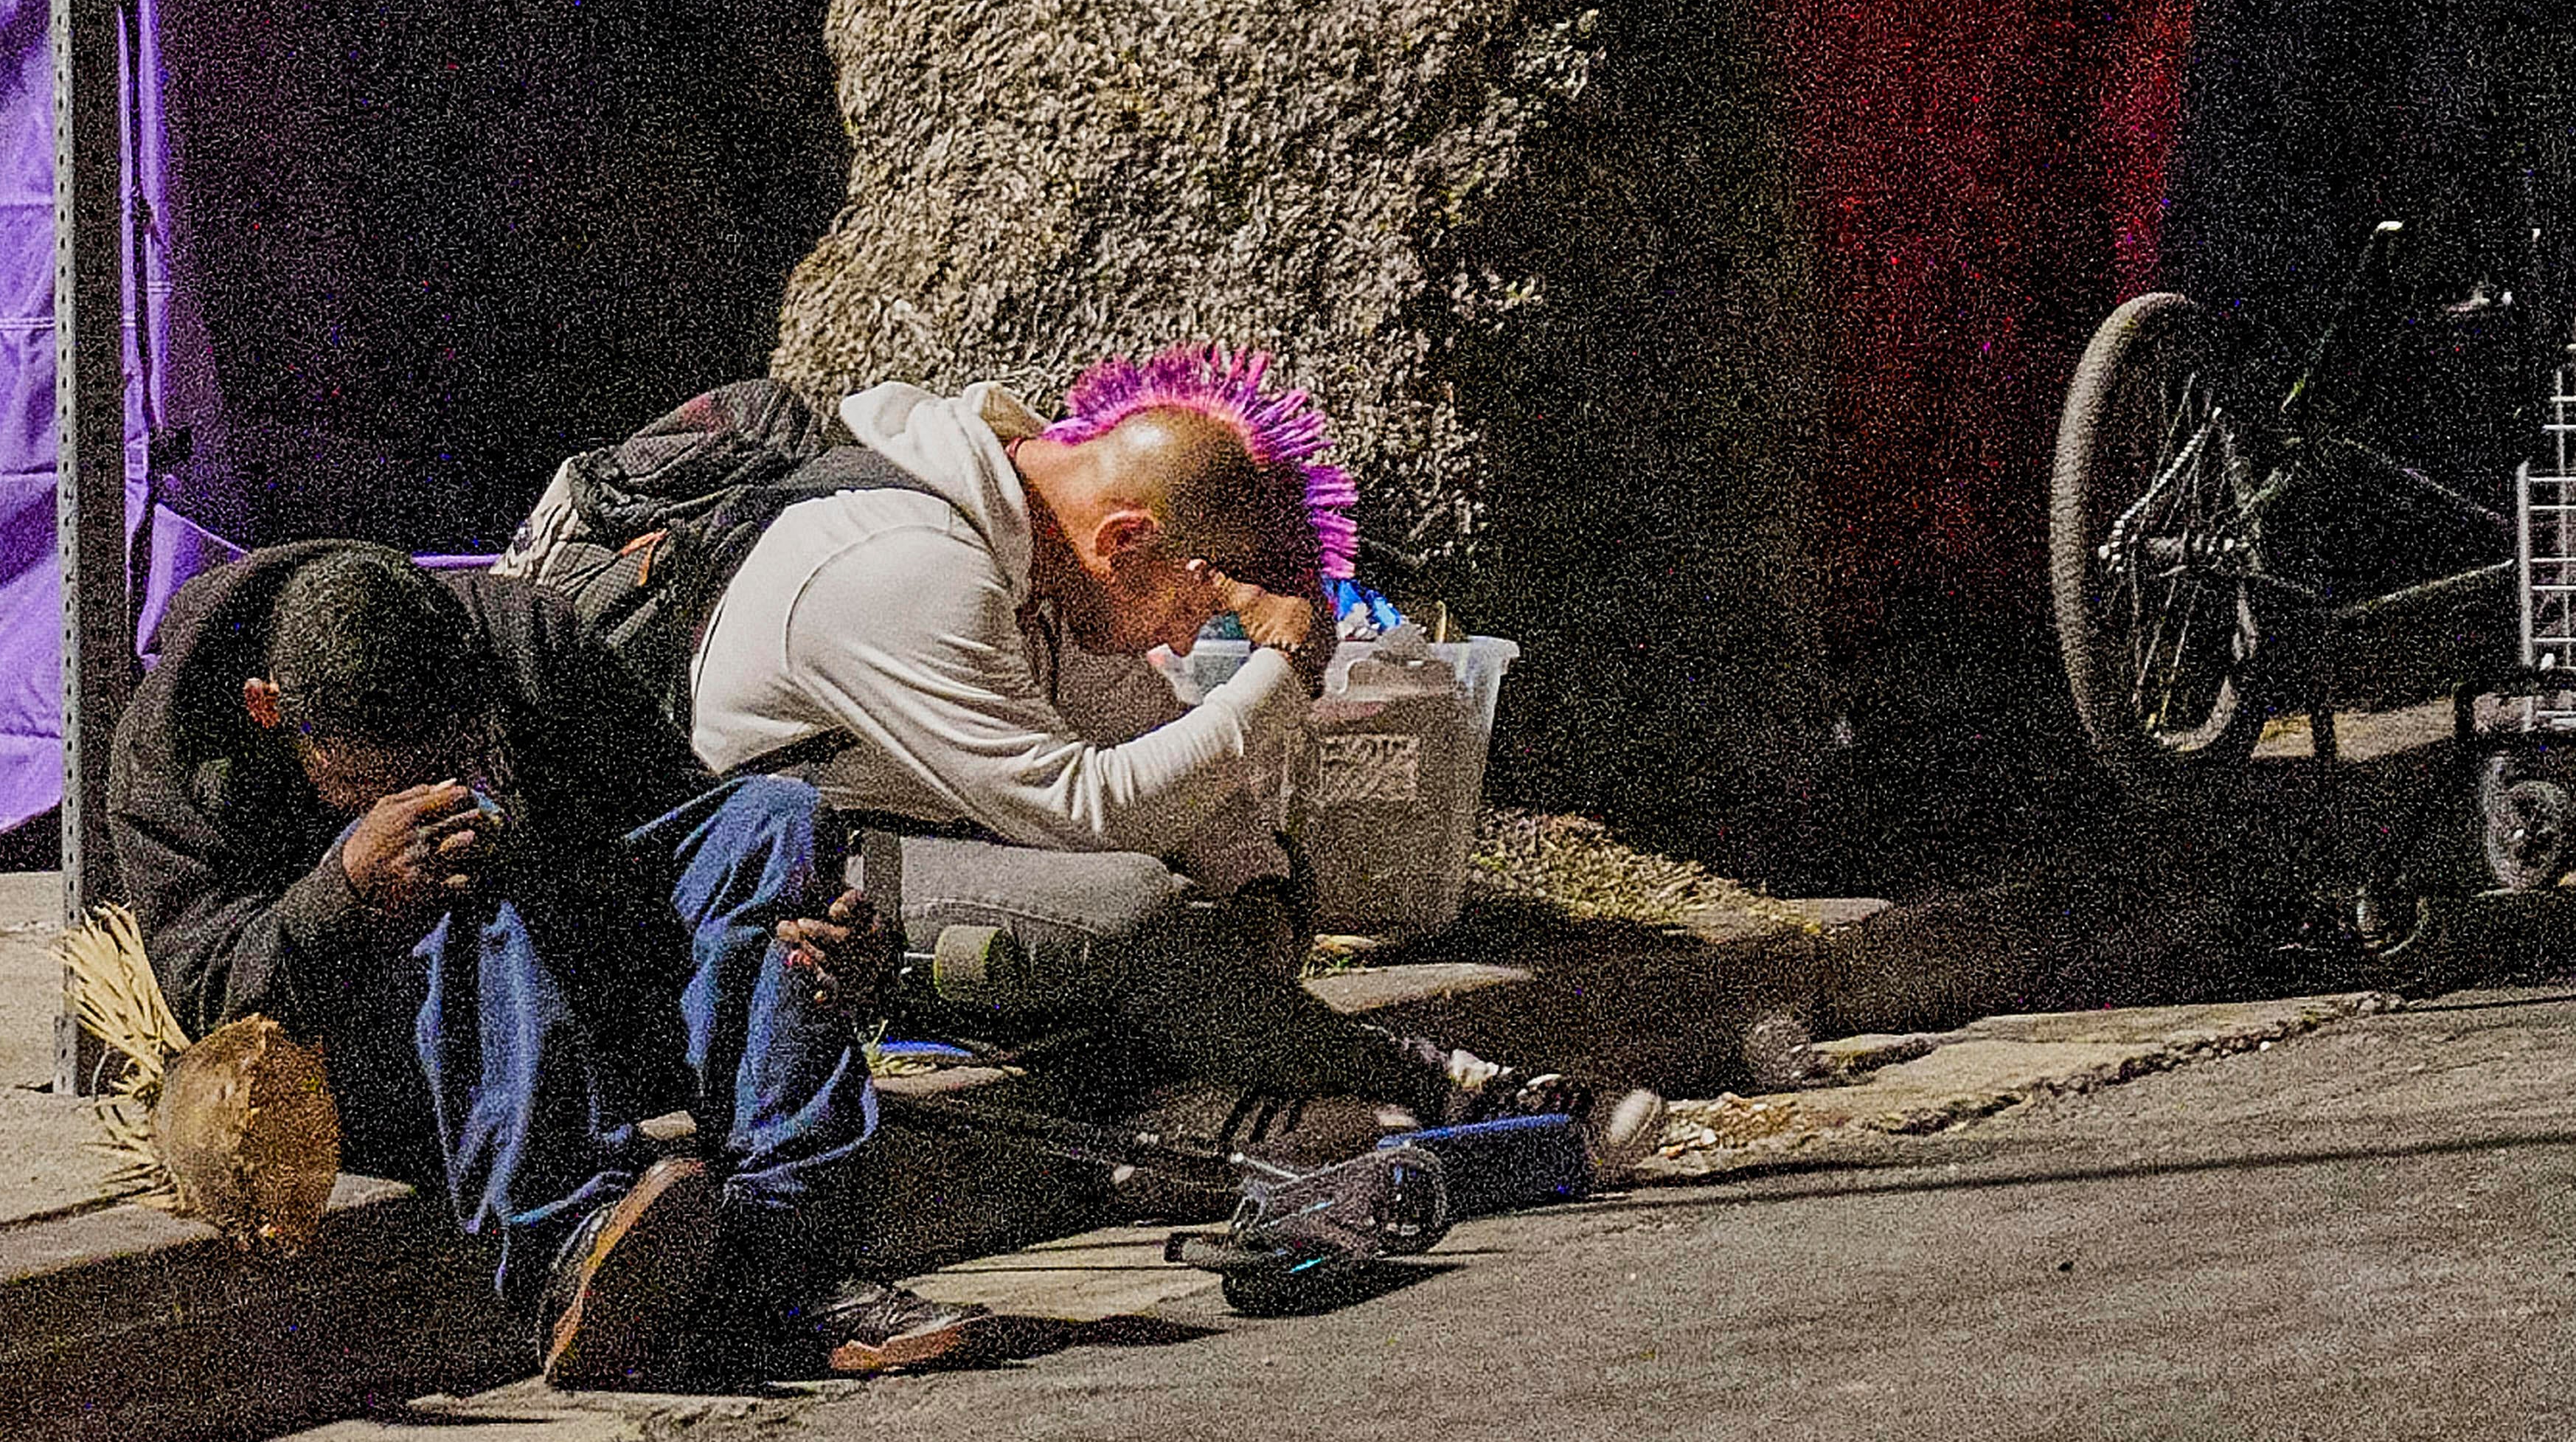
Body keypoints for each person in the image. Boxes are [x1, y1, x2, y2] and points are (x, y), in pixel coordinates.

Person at [686, 358, 1663, 1182]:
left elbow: (1156, 747)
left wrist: (1261, 887)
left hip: (958, 840)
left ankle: (1188, 1115)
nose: (1185, 639)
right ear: (1125, 539)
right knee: (1134, 909)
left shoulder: (1050, 556)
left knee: (1248, 874)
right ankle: (1435, 1082)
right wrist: (1279, 672)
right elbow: (1081, 814)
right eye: (1191, 611)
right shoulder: (907, 567)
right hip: (798, 872)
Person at [111, 538, 1006, 1383]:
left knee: (768, 822)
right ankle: (578, 1253)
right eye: (371, 781)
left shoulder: (520, 639)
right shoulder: (174, 746)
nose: (420, 791)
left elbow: (684, 840)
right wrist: (347, 886)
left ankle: (790, 1259)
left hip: (584, 1006)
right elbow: (212, 1004)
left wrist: (841, 950)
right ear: (271, 709)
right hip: (389, 1057)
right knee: (463, 869)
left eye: (450, 756)